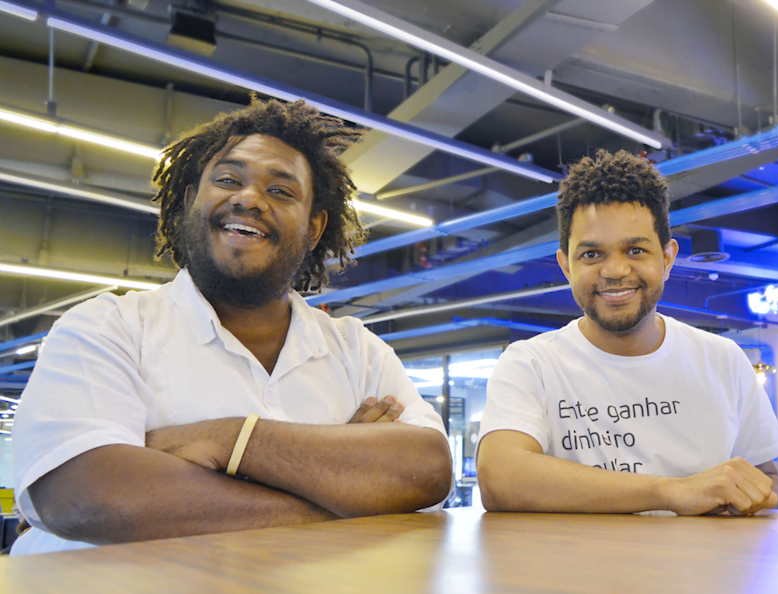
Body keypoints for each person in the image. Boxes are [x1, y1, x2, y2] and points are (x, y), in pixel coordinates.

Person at [12, 99, 453, 554]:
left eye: (281, 191)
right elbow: (85, 494)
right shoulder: (108, 328)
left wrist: (226, 439)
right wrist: (344, 494)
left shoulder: (357, 351)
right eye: (227, 180)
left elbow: (427, 468)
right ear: (189, 202)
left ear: (314, 228)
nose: (248, 198)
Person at [476, 149, 778, 515]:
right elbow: (500, 478)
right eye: (592, 255)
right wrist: (671, 492)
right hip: (572, 571)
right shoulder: (531, 363)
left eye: (636, 250)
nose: (616, 270)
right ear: (565, 265)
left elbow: (767, 476)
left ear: (667, 259)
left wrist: (751, 497)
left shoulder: (722, 359)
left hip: (699, 569)